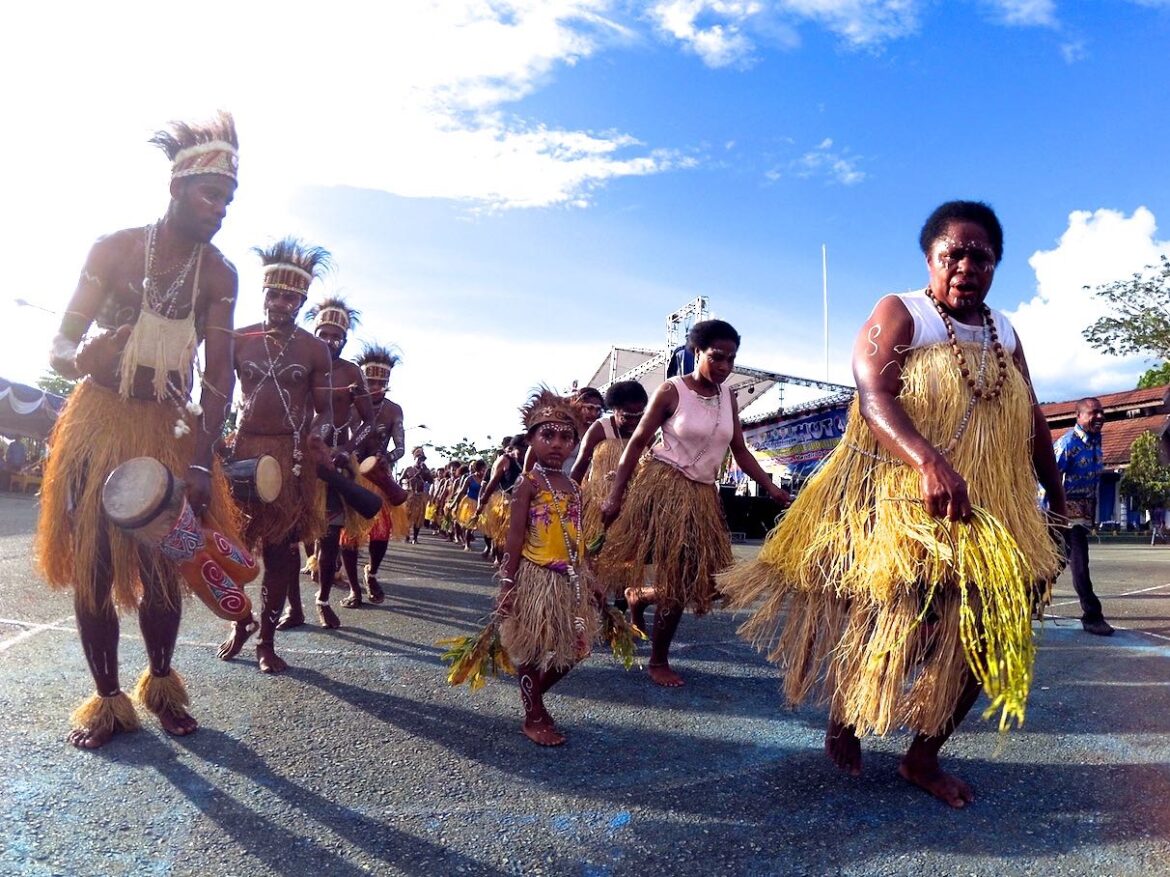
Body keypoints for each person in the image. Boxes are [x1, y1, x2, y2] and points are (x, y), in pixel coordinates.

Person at [721, 200, 1066, 808]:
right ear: (930, 258)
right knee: (905, 626)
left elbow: (1032, 417)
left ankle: (922, 757)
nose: (966, 266)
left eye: (981, 257)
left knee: (986, 637)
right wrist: (927, 462)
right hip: (907, 504)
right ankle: (849, 712)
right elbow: (872, 390)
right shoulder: (902, 313)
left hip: (989, 511)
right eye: (953, 254)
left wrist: (1057, 508)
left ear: (995, 265)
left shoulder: (1005, 332)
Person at [37, 112, 241, 748]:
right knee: (94, 565)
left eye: (228, 200)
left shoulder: (219, 274)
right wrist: (82, 357)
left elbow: (219, 377)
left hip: (168, 428)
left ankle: (161, 684)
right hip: (99, 421)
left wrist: (202, 462)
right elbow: (59, 345)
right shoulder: (114, 249)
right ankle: (106, 701)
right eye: (211, 195)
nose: (220, 210)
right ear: (177, 187)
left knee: (163, 563)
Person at [599, 320, 791, 687]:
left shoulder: (728, 397)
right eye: (717, 357)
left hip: (703, 496)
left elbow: (740, 450)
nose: (724, 366)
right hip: (665, 490)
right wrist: (615, 494)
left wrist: (771, 488)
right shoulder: (672, 391)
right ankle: (658, 661)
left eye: (731, 359)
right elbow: (637, 442)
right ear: (696, 352)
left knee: (711, 584)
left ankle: (640, 598)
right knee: (677, 577)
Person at [217, 238, 334, 669]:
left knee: (280, 551)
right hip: (242, 450)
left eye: (291, 297)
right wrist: (212, 442)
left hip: (290, 458)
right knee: (231, 546)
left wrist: (316, 436)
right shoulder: (238, 339)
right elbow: (217, 396)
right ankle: (240, 619)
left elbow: (326, 412)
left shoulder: (314, 349)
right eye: (275, 294)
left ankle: (266, 641)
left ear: (302, 302)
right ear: (263, 293)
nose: (282, 303)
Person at [498, 389, 600, 746]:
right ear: (531, 439)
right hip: (535, 576)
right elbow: (514, 536)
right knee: (531, 647)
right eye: (548, 435)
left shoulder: (574, 486)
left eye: (566, 437)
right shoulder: (528, 483)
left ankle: (534, 699)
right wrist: (507, 583)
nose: (557, 443)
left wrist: (591, 577)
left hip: (571, 579)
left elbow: (578, 536)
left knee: (578, 647)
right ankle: (533, 715)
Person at [279, 294, 373, 628]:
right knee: (289, 537)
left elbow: (368, 422)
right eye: (324, 334)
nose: (330, 341)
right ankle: (294, 608)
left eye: (337, 336)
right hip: (296, 459)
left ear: (345, 339)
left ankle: (322, 600)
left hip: (333, 464)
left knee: (330, 536)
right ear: (314, 333)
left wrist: (346, 448)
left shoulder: (352, 372)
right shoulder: (297, 364)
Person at [339, 344, 406, 605]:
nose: (376, 386)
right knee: (349, 535)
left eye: (381, 382)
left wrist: (386, 457)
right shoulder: (348, 404)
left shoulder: (393, 410)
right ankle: (354, 589)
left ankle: (372, 573)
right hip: (351, 475)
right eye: (371, 381)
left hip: (378, 477)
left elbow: (400, 447)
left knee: (380, 534)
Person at [1054, 397, 1113, 636]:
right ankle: (1092, 616)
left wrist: (1093, 515)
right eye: (1093, 413)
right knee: (1080, 564)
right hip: (1061, 515)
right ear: (1078, 417)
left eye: (1101, 412)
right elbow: (1048, 480)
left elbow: (1093, 482)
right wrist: (1054, 516)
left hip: (1081, 513)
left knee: (1053, 565)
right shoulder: (1067, 443)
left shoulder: (1096, 442)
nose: (1099, 417)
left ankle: (1022, 603)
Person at [478, 436, 526, 562]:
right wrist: (483, 502)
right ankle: (500, 560)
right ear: (514, 448)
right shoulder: (505, 460)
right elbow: (492, 482)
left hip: (523, 503)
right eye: (522, 449)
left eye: (527, 449)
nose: (524, 452)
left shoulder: (531, 459)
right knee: (502, 535)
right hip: (505, 502)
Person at [401, 447, 433, 544]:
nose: (421, 461)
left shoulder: (425, 470)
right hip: (409, 496)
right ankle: (407, 536)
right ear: (414, 458)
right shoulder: (408, 469)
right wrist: (405, 486)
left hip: (420, 496)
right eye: (419, 458)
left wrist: (425, 471)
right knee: (407, 516)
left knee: (418, 518)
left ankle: (415, 538)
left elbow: (431, 481)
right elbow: (400, 480)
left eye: (422, 459)